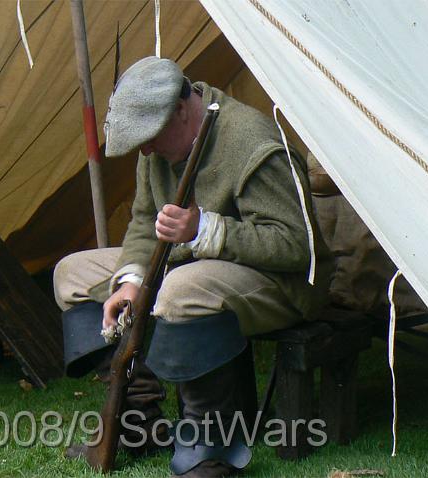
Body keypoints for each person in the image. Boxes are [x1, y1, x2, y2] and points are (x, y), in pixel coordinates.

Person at [54, 57, 331, 477]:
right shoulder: (160, 144)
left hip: (281, 284)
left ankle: (212, 446)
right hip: (192, 264)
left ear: (182, 109)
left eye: (149, 138)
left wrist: (206, 228)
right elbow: (147, 221)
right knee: (71, 275)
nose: (144, 150)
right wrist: (130, 281)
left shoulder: (253, 142)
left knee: (181, 290)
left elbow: (296, 245)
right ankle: (138, 420)